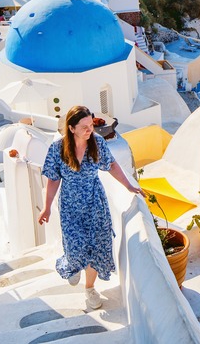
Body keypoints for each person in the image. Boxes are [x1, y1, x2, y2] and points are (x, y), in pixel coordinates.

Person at [38, 106, 144, 310]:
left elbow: (111, 165)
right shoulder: (58, 148)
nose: (90, 130)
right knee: (75, 247)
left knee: (97, 246)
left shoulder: (98, 143)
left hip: (95, 202)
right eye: (84, 127)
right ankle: (72, 264)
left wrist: (129, 185)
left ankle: (89, 288)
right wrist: (47, 207)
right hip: (70, 205)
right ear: (71, 128)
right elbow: (52, 179)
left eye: (90, 125)